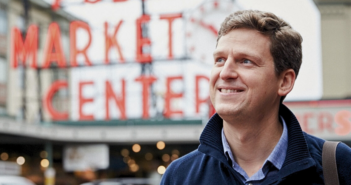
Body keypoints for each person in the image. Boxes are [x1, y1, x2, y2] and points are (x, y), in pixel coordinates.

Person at [160, 10, 351, 185]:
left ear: (284, 81)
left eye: (245, 61)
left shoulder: (336, 165)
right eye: (220, 60)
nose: (225, 73)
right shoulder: (180, 176)